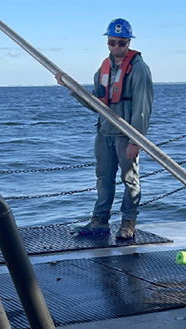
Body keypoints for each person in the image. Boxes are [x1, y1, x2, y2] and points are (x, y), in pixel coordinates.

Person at [58, 18, 154, 239]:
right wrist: (71, 88)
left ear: (129, 42)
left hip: (125, 136)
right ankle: (100, 221)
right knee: (103, 178)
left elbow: (142, 106)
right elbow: (96, 103)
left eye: (122, 43)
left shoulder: (139, 69)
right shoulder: (104, 68)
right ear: (108, 42)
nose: (116, 47)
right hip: (104, 133)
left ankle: (128, 222)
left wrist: (135, 140)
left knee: (130, 179)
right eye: (112, 42)